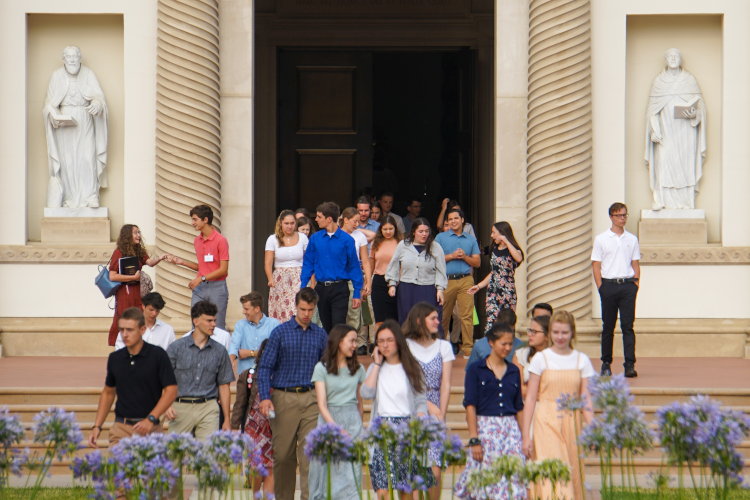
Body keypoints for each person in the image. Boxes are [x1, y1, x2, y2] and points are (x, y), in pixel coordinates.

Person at [257, 288, 328, 500]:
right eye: (302, 309)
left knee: (309, 455)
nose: (306, 314)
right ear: (295, 306)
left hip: (312, 399)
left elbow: (327, 369)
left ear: (314, 308)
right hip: (283, 397)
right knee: (283, 455)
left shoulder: (321, 334)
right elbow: (265, 367)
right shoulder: (280, 332)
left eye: (310, 309)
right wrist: (265, 397)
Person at [522, 311, 595, 500]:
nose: (560, 337)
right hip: (545, 421)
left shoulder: (582, 360)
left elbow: (585, 398)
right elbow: (530, 398)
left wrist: (594, 429)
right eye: (556, 332)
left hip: (573, 423)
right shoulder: (541, 358)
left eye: (565, 332)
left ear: (573, 333)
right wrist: (525, 436)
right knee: (554, 472)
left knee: (571, 471)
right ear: (550, 333)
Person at [360, 320, 434, 498]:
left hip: (407, 428)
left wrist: (420, 421)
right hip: (381, 431)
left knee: (407, 490)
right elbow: (366, 393)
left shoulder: (412, 368)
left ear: (398, 341)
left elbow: (420, 400)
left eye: (389, 340)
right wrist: (377, 364)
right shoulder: (374, 367)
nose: (385, 345)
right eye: (380, 341)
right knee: (383, 489)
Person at [455, 322, 525, 500]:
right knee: (486, 483)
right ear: (491, 342)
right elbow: (470, 405)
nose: (508, 348)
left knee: (513, 482)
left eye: (510, 344)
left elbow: (519, 407)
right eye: (503, 343)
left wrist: (525, 438)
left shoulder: (514, 371)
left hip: (510, 431)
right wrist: (474, 438)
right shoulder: (475, 369)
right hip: (486, 429)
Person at [89, 308, 177, 448]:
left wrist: (151, 418)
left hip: (151, 428)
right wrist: (97, 426)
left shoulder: (157, 355)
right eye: (122, 329)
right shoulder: (115, 358)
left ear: (142, 330)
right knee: (118, 469)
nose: (125, 334)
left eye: (130, 330)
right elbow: (108, 392)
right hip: (121, 428)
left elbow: (171, 390)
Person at [402, 302, 454, 500]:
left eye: (437, 317)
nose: (437, 321)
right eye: (432, 318)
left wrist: (441, 412)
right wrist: (427, 404)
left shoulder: (444, 346)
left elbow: (446, 384)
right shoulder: (405, 346)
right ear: (418, 321)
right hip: (410, 407)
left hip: (435, 409)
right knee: (410, 472)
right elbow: (404, 382)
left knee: (435, 471)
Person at [308, 324, 366, 500]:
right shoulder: (321, 368)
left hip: (352, 422)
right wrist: (336, 428)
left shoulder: (358, 368)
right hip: (329, 422)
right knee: (328, 473)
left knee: (351, 474)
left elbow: (360, 402)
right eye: (352, 341)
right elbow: (322, 404)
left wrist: (359, 427)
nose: (355, 345)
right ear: (340, 342)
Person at [165, 301, 235, 439]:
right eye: (209, 320)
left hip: (208, 407)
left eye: (214, 320)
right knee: (176, 455)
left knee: (207, 455)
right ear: (196, 321)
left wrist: (227, 419)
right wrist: (166, 406)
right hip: (180, 407)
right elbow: (164, 379)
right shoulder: (176, 348)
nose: (213, 324)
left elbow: (224, 385)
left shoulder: (220, 350)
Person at [591, 202, 640, 378]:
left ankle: (629, 364)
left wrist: (635, 284)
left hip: (627, 285)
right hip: (608, 285)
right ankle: (606, 363)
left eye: (625, 215)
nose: (623, 218)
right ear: (611, 217)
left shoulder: (632, 239)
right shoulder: (601, 239)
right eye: (619, 215)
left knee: (628, 326)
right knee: (608, 326)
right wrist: (601, 287)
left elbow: (635, 263)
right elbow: (596, 265)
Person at [300, 202, 363, 333]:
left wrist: (357, 291)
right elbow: (308, 263)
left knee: (338, 326)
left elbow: (354, 267)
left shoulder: (347, 240)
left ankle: (338, 353)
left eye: (319, 216)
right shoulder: (315, 238)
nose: (316, 219)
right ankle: (329, 353)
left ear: (329, 219)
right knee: (326, 328)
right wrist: (303, 286)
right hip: (321, 288)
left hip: (340, 288)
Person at [166, 205, 230, 329]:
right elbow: (203, 267)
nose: (192, 223)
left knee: (217, 326)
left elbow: (223, 269)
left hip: (217, 288)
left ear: (205, 220)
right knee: (196, 324)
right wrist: (182, 262)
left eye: (195, 219)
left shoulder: (221, 240)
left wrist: (201, 278)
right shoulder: (197, 241)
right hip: (200, 289)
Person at [108, 224, 168, 346]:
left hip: (139, 292)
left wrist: (159, 258)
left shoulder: (139, 250)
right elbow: (112, 276)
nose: (138, 235)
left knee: (140, 319)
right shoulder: (119, 252)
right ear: (127, 236)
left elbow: (150, 263)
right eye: (135, 233)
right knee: (127, 319)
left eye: (139, 232)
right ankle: (123, 347)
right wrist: (133, 277)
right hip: (125, 293)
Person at [385, 217, 447, 333]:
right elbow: (393, 264)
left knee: (429, 319)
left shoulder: (435, 247)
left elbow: (441, 269)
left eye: (426, 231)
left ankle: (431, 347)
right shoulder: (403, 245)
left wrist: (440, 289)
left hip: (428, 289)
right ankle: (408, 347)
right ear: (413, 232)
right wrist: (392, 284)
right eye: (421, 231)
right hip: (407, 289)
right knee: (408, 319)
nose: (424, 234)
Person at [231, 339, 274, 497]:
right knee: (256, 465)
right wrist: (234, 427)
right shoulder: (248, 374)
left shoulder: (282, 375)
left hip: (274, 426)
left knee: (271, 466)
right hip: (254, 426)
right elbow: (239, 403)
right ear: (262, 353)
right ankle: (255, 495)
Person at [435, 208, 480, 356]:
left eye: (456, 218)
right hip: (446, 280)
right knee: (443, 315)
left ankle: (468, 349)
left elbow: (477, 262)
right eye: (450, 219)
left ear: (462, 220)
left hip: (466, 279)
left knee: (466, 316)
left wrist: (465, 257)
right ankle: (440, 348)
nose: (453, 221)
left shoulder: (471, 239)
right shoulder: (440, 238)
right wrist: (452, 256)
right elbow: (433, 259)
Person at [468, 222, 524, 328]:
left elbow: (519, 258)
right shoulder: (493, 249)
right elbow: (494, 273)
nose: (491, 235)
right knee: (491, 323)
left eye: (494, 233)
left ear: (502, 233)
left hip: (508, 292)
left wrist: (506, 241)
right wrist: (479, 286)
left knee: (507, 323)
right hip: (493, 292)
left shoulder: (513, 250)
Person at [339, 207, 375, 354]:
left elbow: (365, 261)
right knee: (340, 311)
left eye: (358, 222)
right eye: (354, 221)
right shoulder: (335, 234)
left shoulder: (359, 236)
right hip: (339, 277)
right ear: (345, 220)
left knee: (355, 312)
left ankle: (351, 345)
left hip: (354, 276)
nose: (357, 225)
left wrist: (368, 281)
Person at [265, 210, 309, 322]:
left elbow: (308, 261)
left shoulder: (303, 238)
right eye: (286, 223)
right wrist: (270, 278)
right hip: (280, 279)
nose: (290, 226)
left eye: (292, 223)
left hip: (299, 277)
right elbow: (268, 262)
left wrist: (310, 281)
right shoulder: (272, 239)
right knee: (280, 311)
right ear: (280, 223)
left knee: (296, 308)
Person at [229, 292, 280, 375]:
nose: (243, 312)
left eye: (246, 309)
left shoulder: (273, 324)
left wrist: (251, 353)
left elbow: (276, 351)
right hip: (245, 375)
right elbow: (234, 345)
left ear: (257, 309)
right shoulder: (240, 324)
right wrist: (230, 360)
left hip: (267, 374)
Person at [369, 215, 403, 328]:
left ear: (395, 229)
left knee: (396, 317)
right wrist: (367, 283)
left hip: (397, 282)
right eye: (385, 229)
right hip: (379, 281)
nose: (388, 232)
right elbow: (371, 266)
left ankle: (396, 343)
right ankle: (379, 343)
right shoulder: (376, 242)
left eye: (391, 229)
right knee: (380, 319)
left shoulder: (401, 243)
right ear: (380, 229)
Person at [512, 315, 550, 399]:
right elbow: (517, 388)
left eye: (534, 331)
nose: (529, 334)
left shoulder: (557, 357)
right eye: (529, 330)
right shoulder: (521, 354)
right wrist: (543, 395)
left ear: (547, 336)